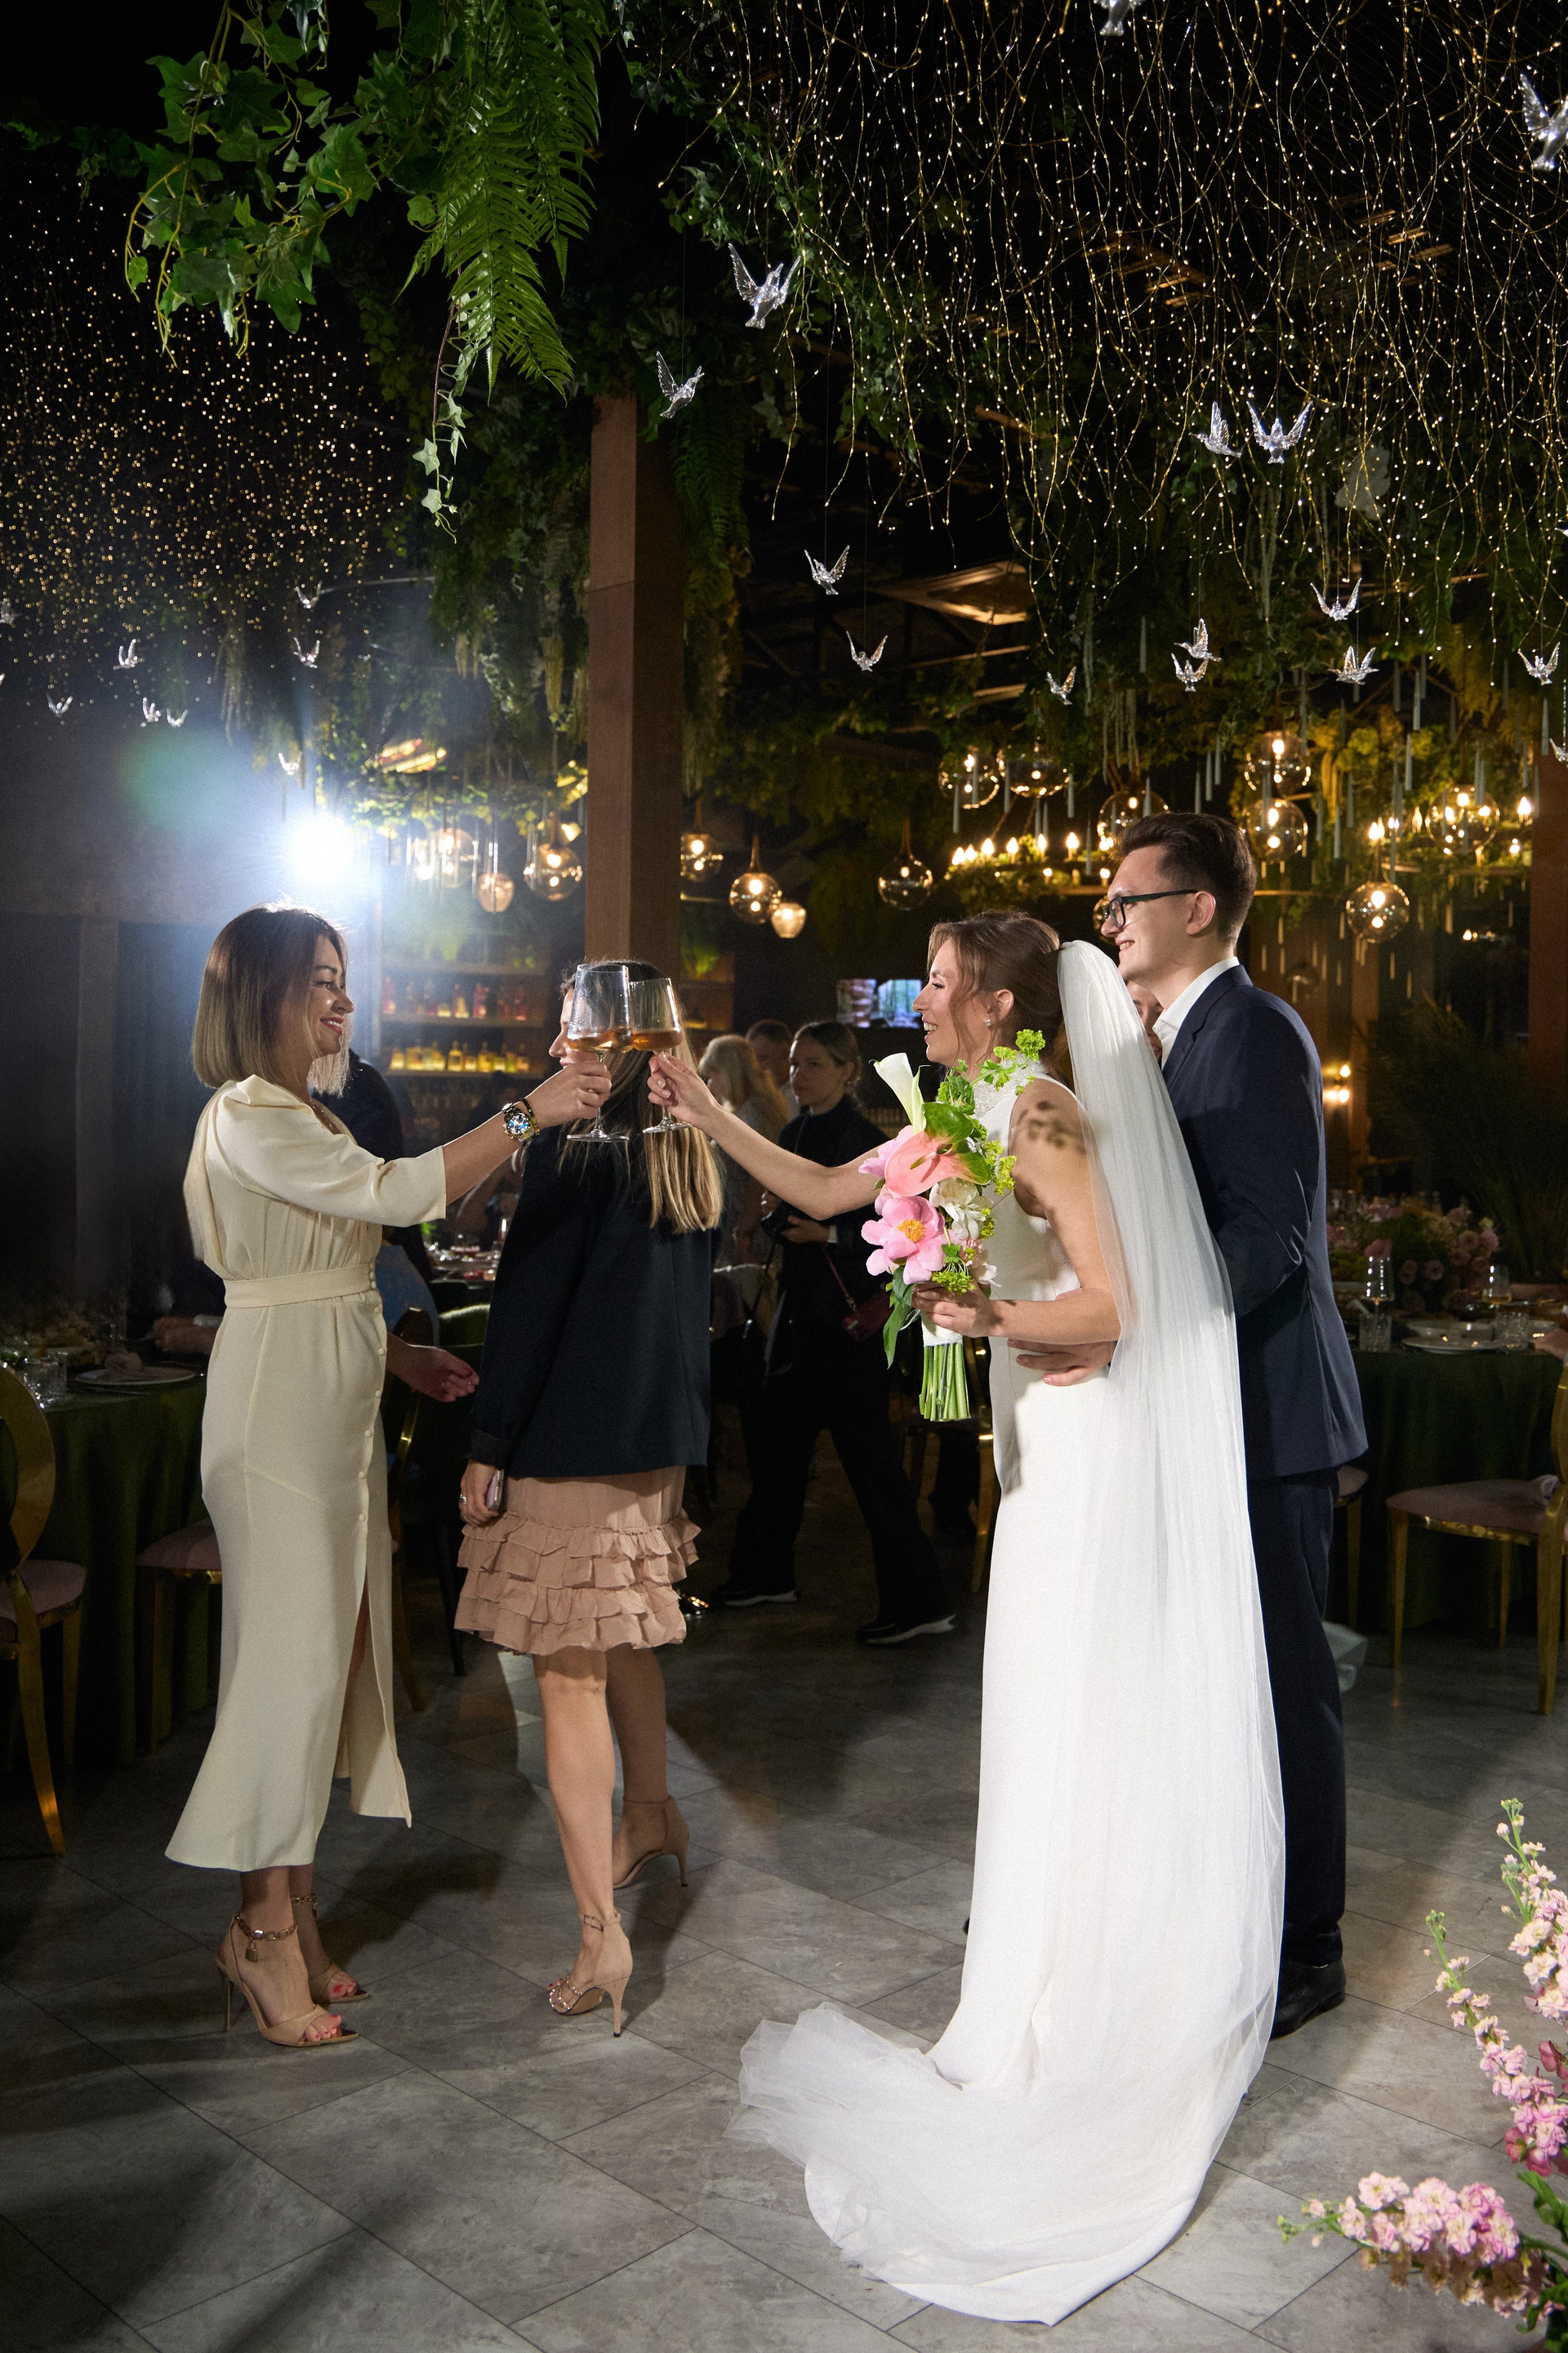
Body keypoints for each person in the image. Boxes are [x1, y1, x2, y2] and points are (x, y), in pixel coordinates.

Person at [648, 915, 1281, 2320]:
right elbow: (827, 1188)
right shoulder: (956, 1113)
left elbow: (1114, 1308)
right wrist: (705, 1111)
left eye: (937, 985)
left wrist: (984, 1314)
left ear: (997, 1005)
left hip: (1089, 1448)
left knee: (1084, 1714)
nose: (918, 1002)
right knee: (1041, 1721)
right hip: (1039, 1453)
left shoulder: (1042, 1114)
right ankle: (1033, 1980)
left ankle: (1101, 1995)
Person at [166, 903, 608, 2051]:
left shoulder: (305, 1114)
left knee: (326, 1668)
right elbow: (399, 1196)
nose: (341, 1000)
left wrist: (401, 1357)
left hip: (330, 1406)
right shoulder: (246, 1112)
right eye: (318, 980)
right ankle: (261, 1930)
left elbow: (332, 1269)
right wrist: (532, 1108)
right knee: (285, 1675)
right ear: (258, 996)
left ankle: (296, 1910)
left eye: (341, 977)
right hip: (278, 1420)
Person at [1027, 813, 1361, 2042]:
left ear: (1200, 909)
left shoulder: (1255, 1032)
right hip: (1195, 1408)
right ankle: (1222, 1913)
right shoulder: (1162, 1044)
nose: (1112, 919)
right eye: (1110, 905)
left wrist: (1127, 1324)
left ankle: (1308, 1944)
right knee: (1205, 1680)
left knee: (1284, 1684)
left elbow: (1264, 1242)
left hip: (1267, 1412)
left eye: (1129, 900)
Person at [454, 965, 724, 2035]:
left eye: (567, 1030)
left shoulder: (574, 1146)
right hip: (657, 1442)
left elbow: (528, 1307)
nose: (554, 1048)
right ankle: (651, 1816)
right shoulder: (690, 1141)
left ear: (598, 1039)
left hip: (572, 1439)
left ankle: (598, 1936)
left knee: (567, 1681)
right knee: (624, 1644)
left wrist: (488, 1442)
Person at [707, 1019, 951, 1642]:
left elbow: (900, 1232)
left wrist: (830, 1231)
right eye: (794, 1063)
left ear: (847, 1070)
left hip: (847, 1327)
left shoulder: (866, 1139)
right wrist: (775, 1218)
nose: (799, 1075)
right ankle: (764, 1571)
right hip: (799, 1315)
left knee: (871, 1466)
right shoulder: (793, 1131)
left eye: (813, 1063)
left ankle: (919, 1599)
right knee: (778, 1455)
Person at [698, 1033, 788, 1260]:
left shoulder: (752, 1113)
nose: (708, 1084)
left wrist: (744, 1231)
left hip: (749, 1227)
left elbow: (759, 1178)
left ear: (730, 1072)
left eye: (712, 1075)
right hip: (738, 1220)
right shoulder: (746, 1109)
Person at [746, 1018, 800, 1120]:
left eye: (761, 1059)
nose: (754, 1067)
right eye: (751, 1061)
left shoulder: (799, 1097)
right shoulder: (758, 1095)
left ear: (786, 1055)